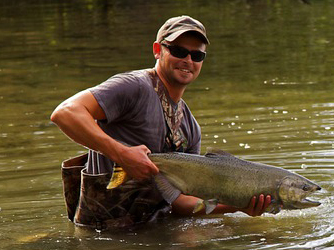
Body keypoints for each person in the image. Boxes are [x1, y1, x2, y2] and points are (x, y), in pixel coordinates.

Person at [51, 15, 271, 229]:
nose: (188, 60)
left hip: (151, 229)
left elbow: (181, 203)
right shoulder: (133, 87)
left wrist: (237, 206)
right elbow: (65, 113)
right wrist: (121, 154)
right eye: (178, 51)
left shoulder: (190, 128)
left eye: (197, 56)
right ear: (157, 50)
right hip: (101, 233)